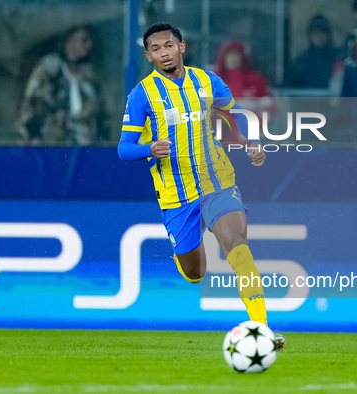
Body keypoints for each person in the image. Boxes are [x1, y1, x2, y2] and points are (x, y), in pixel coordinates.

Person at [118, 22, 285, 350]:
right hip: (176, 195)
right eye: (155, 49)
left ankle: (262, 329)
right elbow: (124, 148)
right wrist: (148, 149)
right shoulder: (142, 95)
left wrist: (253, 140)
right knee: (194, 273)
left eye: (169, 45)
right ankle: (193, 247)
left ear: (182, 47)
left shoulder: (207, 81)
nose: (163, 53)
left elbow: (236, 113)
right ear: (149, 56)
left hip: (217, 183)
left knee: (237, 243)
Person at [18, 25, 104, 145]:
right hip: (52, 144)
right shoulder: (49, 69)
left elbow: (102, 114)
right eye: (83, 40)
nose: (88, 45)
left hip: (85, 145)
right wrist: (34, 136)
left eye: (89, 41)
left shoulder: (92, 76)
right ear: (69, 42)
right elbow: (32, 104)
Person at [213, 41, 275, 144]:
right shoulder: (213, 80)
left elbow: (268, 107)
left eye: (236, 55)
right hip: (220, 140)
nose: (232, 59)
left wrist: (257, 126)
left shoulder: (256, 80)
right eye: (229, 55)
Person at [286, 15, 341, 90]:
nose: (319, 36)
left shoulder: (338, 58)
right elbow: (291, 87)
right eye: (315, 33)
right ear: (310, 35)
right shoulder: (301, 61)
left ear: (328, 35)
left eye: (322, 32)